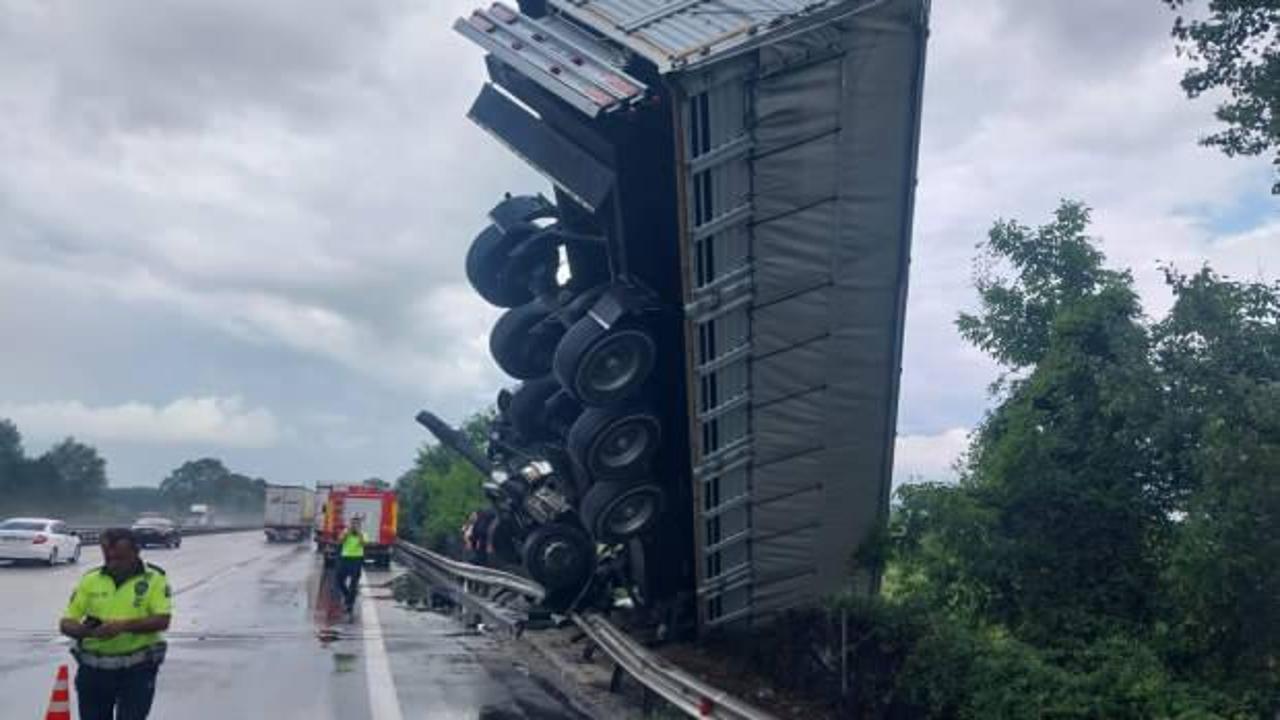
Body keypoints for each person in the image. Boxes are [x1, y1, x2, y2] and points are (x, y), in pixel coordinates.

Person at [59, 528, 172, 720]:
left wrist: (123, 626)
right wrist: (86, 632)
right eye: (107, 557)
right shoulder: (90, 580)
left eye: (119, 558)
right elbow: (66, 623)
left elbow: (162, 620)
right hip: (94, 670)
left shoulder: (154, 578)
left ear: (136, 552)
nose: (112, 562)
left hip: (137, 670)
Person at [334, 515, 367, 615]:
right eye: (352, 523)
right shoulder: (345, 532)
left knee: (354, 583)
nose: (354, 525)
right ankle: (347, 595)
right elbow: (339, 541)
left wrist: (359, 533)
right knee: (339, 580)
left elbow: (363, 544)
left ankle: (349, 604)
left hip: (357, 560)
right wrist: (346, 533)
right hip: (345, 559)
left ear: (359, 525)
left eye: (356, 524)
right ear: (350, 523)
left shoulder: (363, 533)